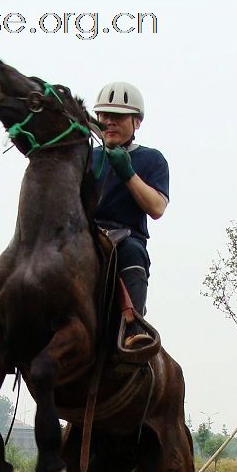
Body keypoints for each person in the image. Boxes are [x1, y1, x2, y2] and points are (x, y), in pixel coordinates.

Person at [91, 81, 169, 348]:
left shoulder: (151, 159)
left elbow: (157, 208)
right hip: (85, 233)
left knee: (133, 252)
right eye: (104, 116)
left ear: (136, 122)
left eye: (118, 117)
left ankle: (133, 326)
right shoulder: (86, 157)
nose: (109, 122)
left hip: (124, 237)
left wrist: (128, 173)